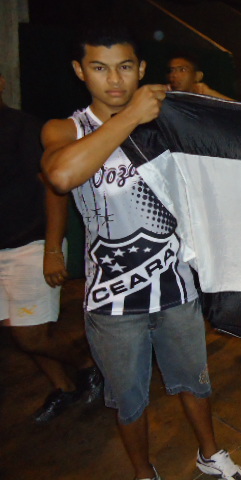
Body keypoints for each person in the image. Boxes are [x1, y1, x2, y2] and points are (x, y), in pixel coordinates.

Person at [40, 27, 241, 480]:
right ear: (80, 71)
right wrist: (131, 116)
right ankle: (142, 471)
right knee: (128, 398)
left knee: (194, 381)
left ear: (142, 69)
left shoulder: (167, 118)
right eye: (99, 67)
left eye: (125, 67)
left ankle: (209, 453)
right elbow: (60, 176)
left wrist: (201, 92)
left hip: (176, 283)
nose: (114, 79)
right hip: (113, 298)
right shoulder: (67, 128)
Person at [0, 72, 102, 423]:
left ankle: (88, 365)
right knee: (18, 332)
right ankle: (66, 387)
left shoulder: (21, 127)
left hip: (28, 243)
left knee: (30, 336)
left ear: (1, 82)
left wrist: (52, 249)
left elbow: (53, 188)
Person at [167, 54, 233, 100]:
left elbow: (239, 111)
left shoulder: (205, 102)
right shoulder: (164, 99)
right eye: (172, 70)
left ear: (198, 76)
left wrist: (210, 93)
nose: (174, 75)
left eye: (182, 70)